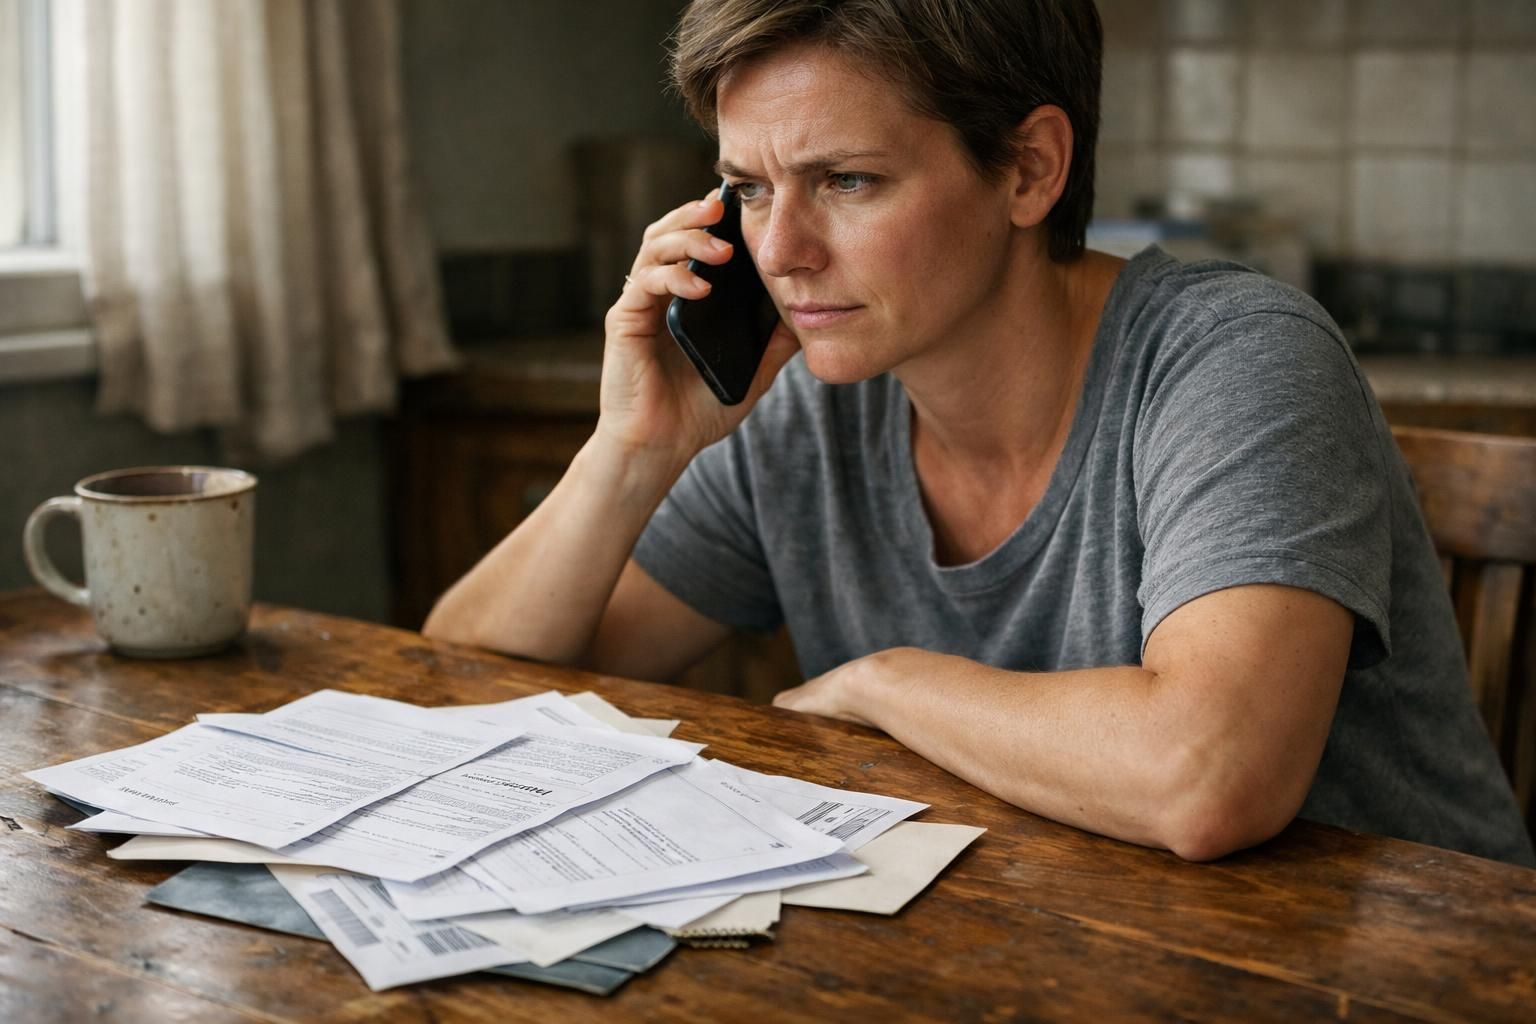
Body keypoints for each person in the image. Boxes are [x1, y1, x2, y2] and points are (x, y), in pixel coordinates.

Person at [425, 0, 1534, 867]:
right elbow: (464, 683)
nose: (782, 250)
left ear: (1029, 168)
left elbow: (1207, 775)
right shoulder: (809, 404)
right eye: (748, 189)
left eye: (846, 181)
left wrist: (886, 683)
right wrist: (634, 449)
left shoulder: (1238, 358)